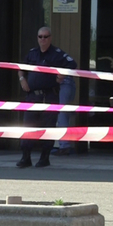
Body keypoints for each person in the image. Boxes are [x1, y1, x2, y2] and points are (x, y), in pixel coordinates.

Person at [17, 26, 77, 168]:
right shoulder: (32, 53)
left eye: (45, 37)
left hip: (49, 96)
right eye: (40, 37)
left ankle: (44, 158)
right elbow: (21, 68)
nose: (43, 39)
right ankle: (26, 157)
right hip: (32, 97)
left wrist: (62, 74)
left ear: (50, 38)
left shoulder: (56, 54)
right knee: (28, 126)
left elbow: (72, 64)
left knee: (48, 127)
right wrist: (22, 79)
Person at [52, 76, 76, 156]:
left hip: (64, 83)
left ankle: (64, 146)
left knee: (62, 116)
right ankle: (65, 145)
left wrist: (58, 77)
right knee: (64, 115)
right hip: (68, 83)